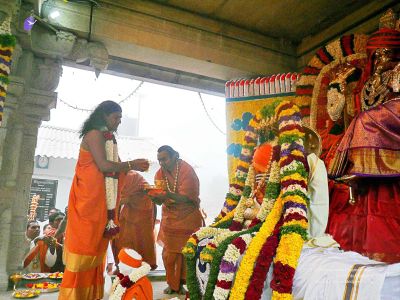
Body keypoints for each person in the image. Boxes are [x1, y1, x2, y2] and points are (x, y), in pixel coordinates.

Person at [326, 10, 400, 263]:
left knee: (364, 121)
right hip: (365, 143)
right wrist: (340, 91)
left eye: (387, 54)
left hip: (390, 135)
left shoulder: (397, 73)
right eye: (376, 55)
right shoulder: (364, 86)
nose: (381, 60)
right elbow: (341, 116)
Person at [59, 100, 149, 300]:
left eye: (120, 119)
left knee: (96, 248)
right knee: (85, 247)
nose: (118, 122)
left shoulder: (109, 139)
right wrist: (131, 164)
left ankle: (90, 295)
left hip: (101, 202)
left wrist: (130, 166)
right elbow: (104, 165)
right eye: (116, 118)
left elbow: (116, 167)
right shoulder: (94, 134)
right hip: (88, 200)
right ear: (104, 116)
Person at [148, 145, 203, 295]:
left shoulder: (187, 171)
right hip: (170, 218)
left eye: (164, 159)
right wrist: (154, 197)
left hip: (188, 217)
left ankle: (190, 285)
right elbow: (161, 200)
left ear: (175, 156)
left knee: (188, 253)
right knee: (169, 254)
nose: (161, 163)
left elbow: (187, 197)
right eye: (159, 160)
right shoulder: (159, 173)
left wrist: (166, 195)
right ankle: (173, 284)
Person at [114, 171, 157, 270]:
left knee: (141, 239)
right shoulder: (119, 176)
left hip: (143, 209)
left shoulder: (129, 176)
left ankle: (140, 266)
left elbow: (120, 200)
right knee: (125, 238)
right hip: (130, 210)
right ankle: (126, 264)